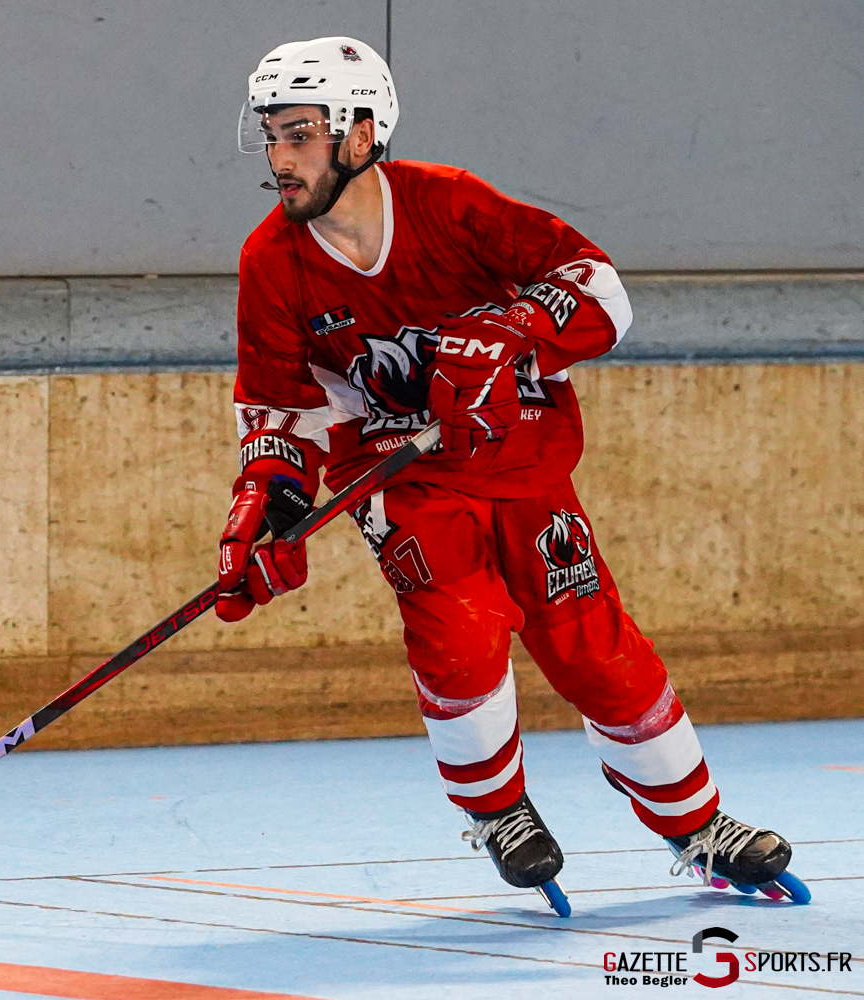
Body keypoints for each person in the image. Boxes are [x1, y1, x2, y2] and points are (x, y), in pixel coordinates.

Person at [216, 35, 805, 910]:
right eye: (271, 134)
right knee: (460, 623)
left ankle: (696, 826)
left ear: (364, 134)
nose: (279, 156)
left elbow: (600, 287)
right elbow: (278, 406)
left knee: (592, 643)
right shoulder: (272, 262)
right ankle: (498, 812)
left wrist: (512, 331)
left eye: (300, 132)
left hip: (522, 460)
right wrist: (268, 508)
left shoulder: (453, 208)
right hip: (401, 473)